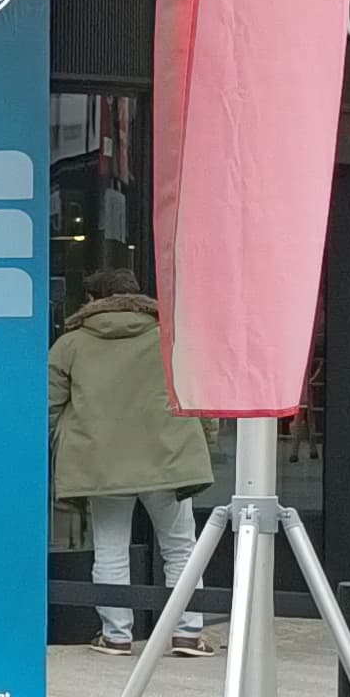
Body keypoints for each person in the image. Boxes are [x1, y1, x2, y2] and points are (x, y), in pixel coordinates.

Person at [49, 268, 217, 654]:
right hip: (170, 455)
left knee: (110, 547)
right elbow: (198, 394)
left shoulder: (70, 344)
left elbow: (49, 405)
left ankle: (116, 635)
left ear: (92, 300)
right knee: (180, 547)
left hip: (101, 459)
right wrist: (204, 443)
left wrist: (64, 442)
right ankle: (187, 632)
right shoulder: (170, 339)